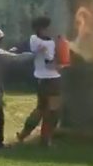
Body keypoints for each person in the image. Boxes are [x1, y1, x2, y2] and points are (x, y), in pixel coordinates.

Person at [14, 16, 62, 147]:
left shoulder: (41, 40)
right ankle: (46, 139)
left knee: (41, 108)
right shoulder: (41, 42)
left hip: (42, 78)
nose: (50, 29)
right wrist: (60, 63)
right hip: (50, 78)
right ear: (41, 29)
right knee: (52, 110)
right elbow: (49, 60)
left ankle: (25, 134)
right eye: (47, 27)